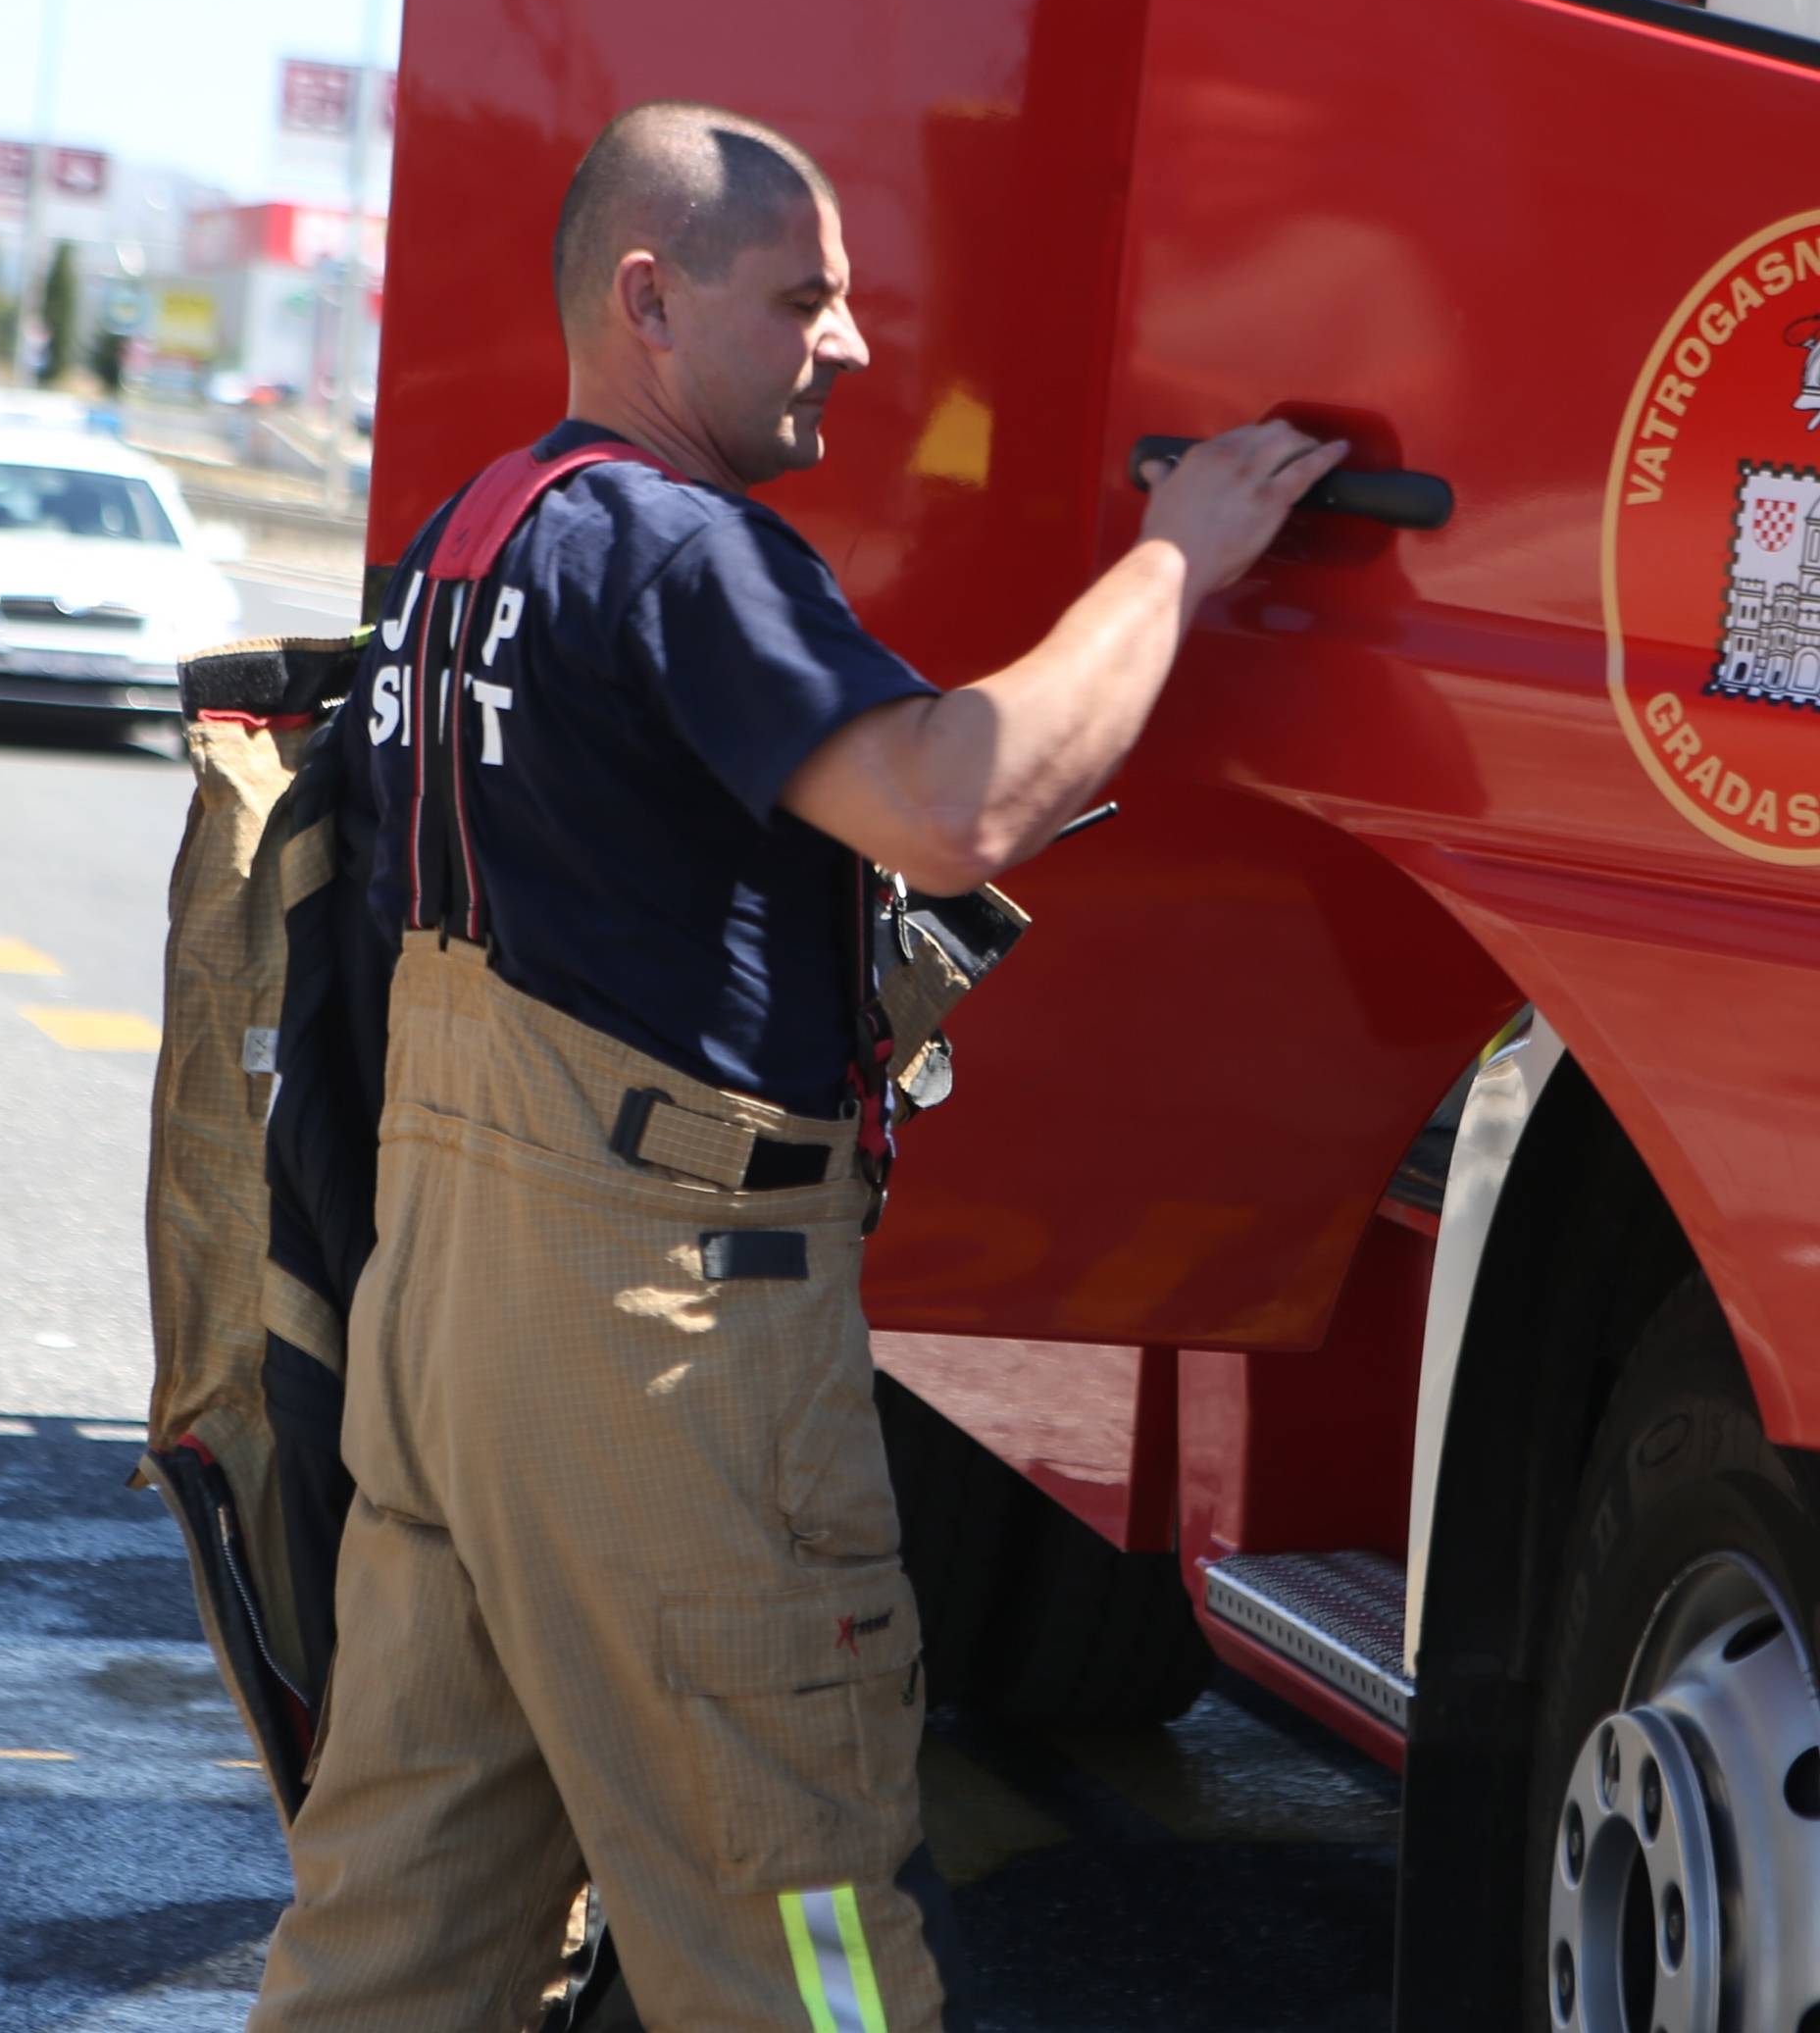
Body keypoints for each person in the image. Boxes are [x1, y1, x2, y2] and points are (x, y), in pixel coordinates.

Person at [247, 102, 1345, 2033]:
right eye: (803, 302)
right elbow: (961, 798)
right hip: (665, 1357)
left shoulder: (468, 542)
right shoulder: (683, 553)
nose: (848, 344)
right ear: (650, 301)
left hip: (450, 1339)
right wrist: (1181, 558)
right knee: (798, 1933)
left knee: (397, 1947)